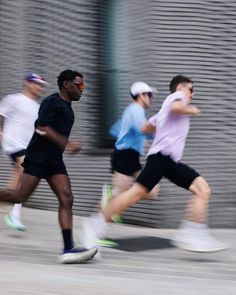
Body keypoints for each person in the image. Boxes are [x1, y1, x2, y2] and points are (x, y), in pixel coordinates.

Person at [82, 75, 228, 253]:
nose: (193, 94)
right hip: (160, 158)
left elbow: (147, 127)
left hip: (171, 161)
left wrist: (157, 131)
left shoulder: (160, 112)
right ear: (181, 87)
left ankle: (193, 233)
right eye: (191, 89)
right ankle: (95, 225)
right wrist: (190, 110)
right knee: (134, 194)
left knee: (202, 189)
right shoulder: (177, 97)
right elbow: (176, 107)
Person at [0, 69, 97, 263]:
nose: (82, 89)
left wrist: (63, 146)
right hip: (38, 158)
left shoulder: (68, 107)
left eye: (83, 86)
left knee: (67, 197)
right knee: (20, 196)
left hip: (54, 160)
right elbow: (41, 128)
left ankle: (68, 248)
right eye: (79, 85)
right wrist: (67, 144)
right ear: (66, 84)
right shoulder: (51, 102)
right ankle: (68, 247)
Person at [99, 82, 160, 247]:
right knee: (119, 199)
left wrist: (144, 141)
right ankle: (99, 233)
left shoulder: (132, 111)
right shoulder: (135, 110)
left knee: (152, 191)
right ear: (140, 95)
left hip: (130, 157)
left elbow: (115, 130)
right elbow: (142, 128)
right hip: (125, 156)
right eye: (149, 95)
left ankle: (113, 194)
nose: (151, 98)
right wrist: (162, 129)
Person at [0, 73, 47, 231]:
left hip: (28, 147)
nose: (39, 87)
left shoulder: (38, 107)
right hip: (13, 143)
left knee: (20, 180)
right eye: (36, 84)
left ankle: (6, 205)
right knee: (26, 170)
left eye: (41, 85)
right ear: (27, 83)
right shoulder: (14, 99)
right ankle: (15, 215)